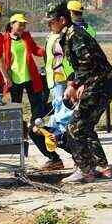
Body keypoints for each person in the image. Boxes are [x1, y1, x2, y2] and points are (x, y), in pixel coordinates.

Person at [45, 1, 112, 184]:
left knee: (74, 128)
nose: (49, 25)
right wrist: (73, 80)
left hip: (100, 85)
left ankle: (85, 170)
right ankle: (101, 166)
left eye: (51, 21)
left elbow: (87, 63)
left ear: (62, 20)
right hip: (99, 83)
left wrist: (74, 85)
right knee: (84, 127)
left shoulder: (75, 35)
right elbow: (78, 66)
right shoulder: (68, 35)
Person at [43, 18, 75, 170]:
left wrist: (70, 82)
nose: (49, 25)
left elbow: (67, 61)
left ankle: (76, 155)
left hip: (62, 80)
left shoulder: (61, 39)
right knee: (58, 112)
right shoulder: (53, 37)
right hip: (55, 80)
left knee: (63, 115)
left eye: (51, 22)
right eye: (48, 23)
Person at [2, 13, 48, 121]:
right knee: (16, 106)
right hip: (15, 78)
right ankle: (19, 128)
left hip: (30, 76)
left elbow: (35, 49)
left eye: (24, 25)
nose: (22, 27)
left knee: (36, 105)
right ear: (12, 24)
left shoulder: (26, 36)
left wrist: (46, 51)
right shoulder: (4, 39)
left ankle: (35, 127)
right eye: (20, 24)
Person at [28, 96, 74, 169]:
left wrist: (58, 136)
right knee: (32, 131)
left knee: (67, 138)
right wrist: (35, 124)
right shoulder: (60, 101)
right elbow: (42, 111)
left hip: (70, 134)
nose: (66, 92)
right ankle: (54, 160)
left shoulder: (81, 106)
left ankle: (84, 160)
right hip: (57, 132)